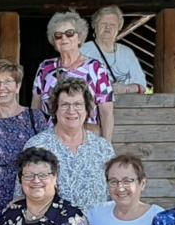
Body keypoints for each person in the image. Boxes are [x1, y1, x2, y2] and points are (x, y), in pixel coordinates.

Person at [24, 78, 116, 210]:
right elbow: (22, 195)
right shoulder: (37, 146)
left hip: (96, 222)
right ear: (55, 109)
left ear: (87, 109)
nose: (71, 110)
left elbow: (114, 195)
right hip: (52, 223)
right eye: (65, 105)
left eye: (78, 104)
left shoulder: (103, 148)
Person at [0, 61, 49, 214]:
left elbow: (47, 161)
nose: (2, 87)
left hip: (30, 202)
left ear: (18, 86)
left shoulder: (35, 118)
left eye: (8, 81)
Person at [32, 11, 115, 141]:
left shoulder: (96, 68)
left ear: (79, 38)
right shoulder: (45, 68)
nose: (63, 38)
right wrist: (36, 141)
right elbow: (35, 108)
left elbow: (106, 112)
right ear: (54, 41)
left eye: (69, 33)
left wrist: (106, 145)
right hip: (50, 140)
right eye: (58, 35)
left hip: (85, 139)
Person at [81, 6, 147, 95]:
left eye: (112, 24)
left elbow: (142, 85)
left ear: (119, 28)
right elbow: (73, 84)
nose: (108, 27)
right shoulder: (83, 51)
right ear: (94, 25)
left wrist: (126, 89)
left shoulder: (127, 53)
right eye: (103, 23)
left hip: (126, 103)